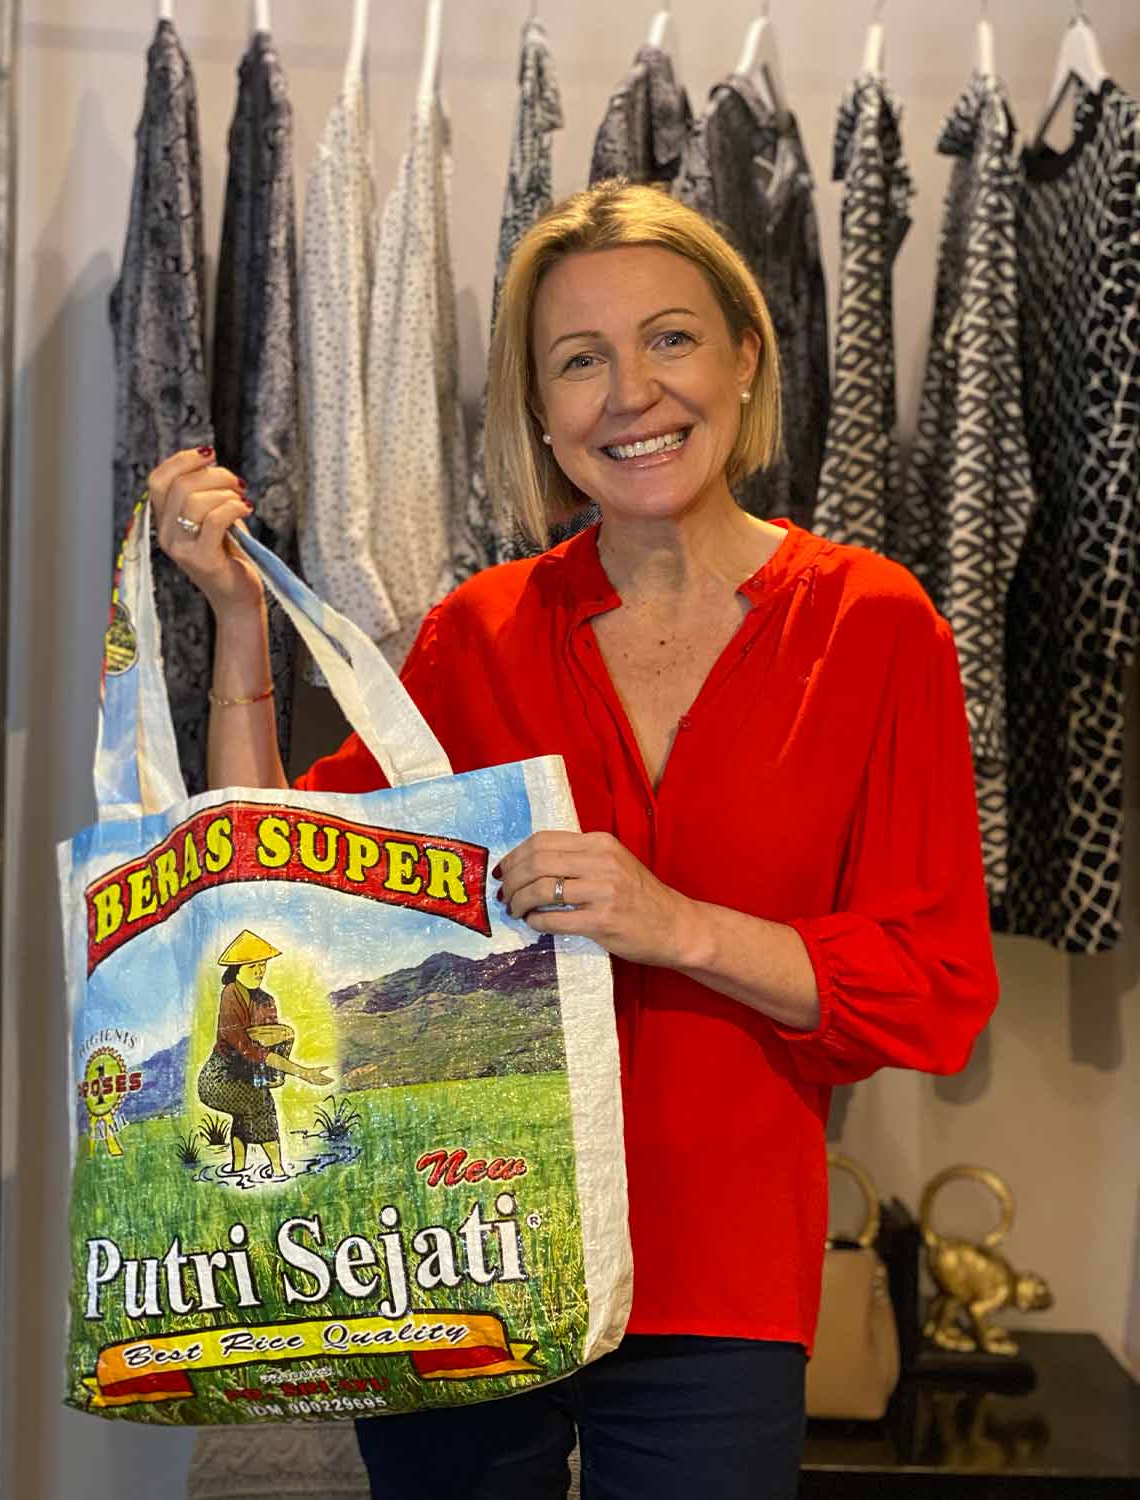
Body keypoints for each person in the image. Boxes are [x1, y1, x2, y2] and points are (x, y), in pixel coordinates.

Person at [148, 181, 998, 1499]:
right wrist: (241, 628)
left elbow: (931, 987)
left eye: (670, 339)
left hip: (720, 1282)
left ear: (744, 358)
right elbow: (275, 880)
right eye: (579, 360)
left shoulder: (875, 630)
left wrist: (677, 925)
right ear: (541, 413)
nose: (632, 394)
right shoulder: (474, 634)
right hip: (457, 1248)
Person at [196, 928, 333, 1180]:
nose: (259, 971)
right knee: (260, 1104)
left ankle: (238, 1170)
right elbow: (247, 1047)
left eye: (262, 966)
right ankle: (278, 1170)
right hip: (218, 1076)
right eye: (252, 967)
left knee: (247, 1108)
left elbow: (267, 1042)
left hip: (247, 1071)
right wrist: (302, 1072)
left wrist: (274, 1068)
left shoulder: (266, 1000)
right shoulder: (230, 995)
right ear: (237, 970)